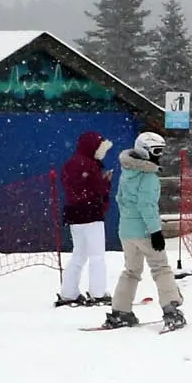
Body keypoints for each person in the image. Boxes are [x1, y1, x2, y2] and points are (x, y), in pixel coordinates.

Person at [102, 129, 188, 330]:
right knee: (160, 268)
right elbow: (146, 206)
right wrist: (155, 231)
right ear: (145, 151)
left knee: (131, 271)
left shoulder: (128, 172)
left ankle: (120, 311)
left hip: (127, 231)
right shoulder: (148, 177)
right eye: (156, 151)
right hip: (144, 231)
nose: (160, 155)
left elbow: (121, 199)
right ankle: (171, 309)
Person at [53, 129, 113, 305]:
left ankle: (68, 292)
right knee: (97, 256)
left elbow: (74, 188)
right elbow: (98, 190)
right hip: (92, 213)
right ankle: (98, 293)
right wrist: (107, 182)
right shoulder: (91, 165)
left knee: (78, 254)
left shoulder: (69, 164)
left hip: (74, 214)